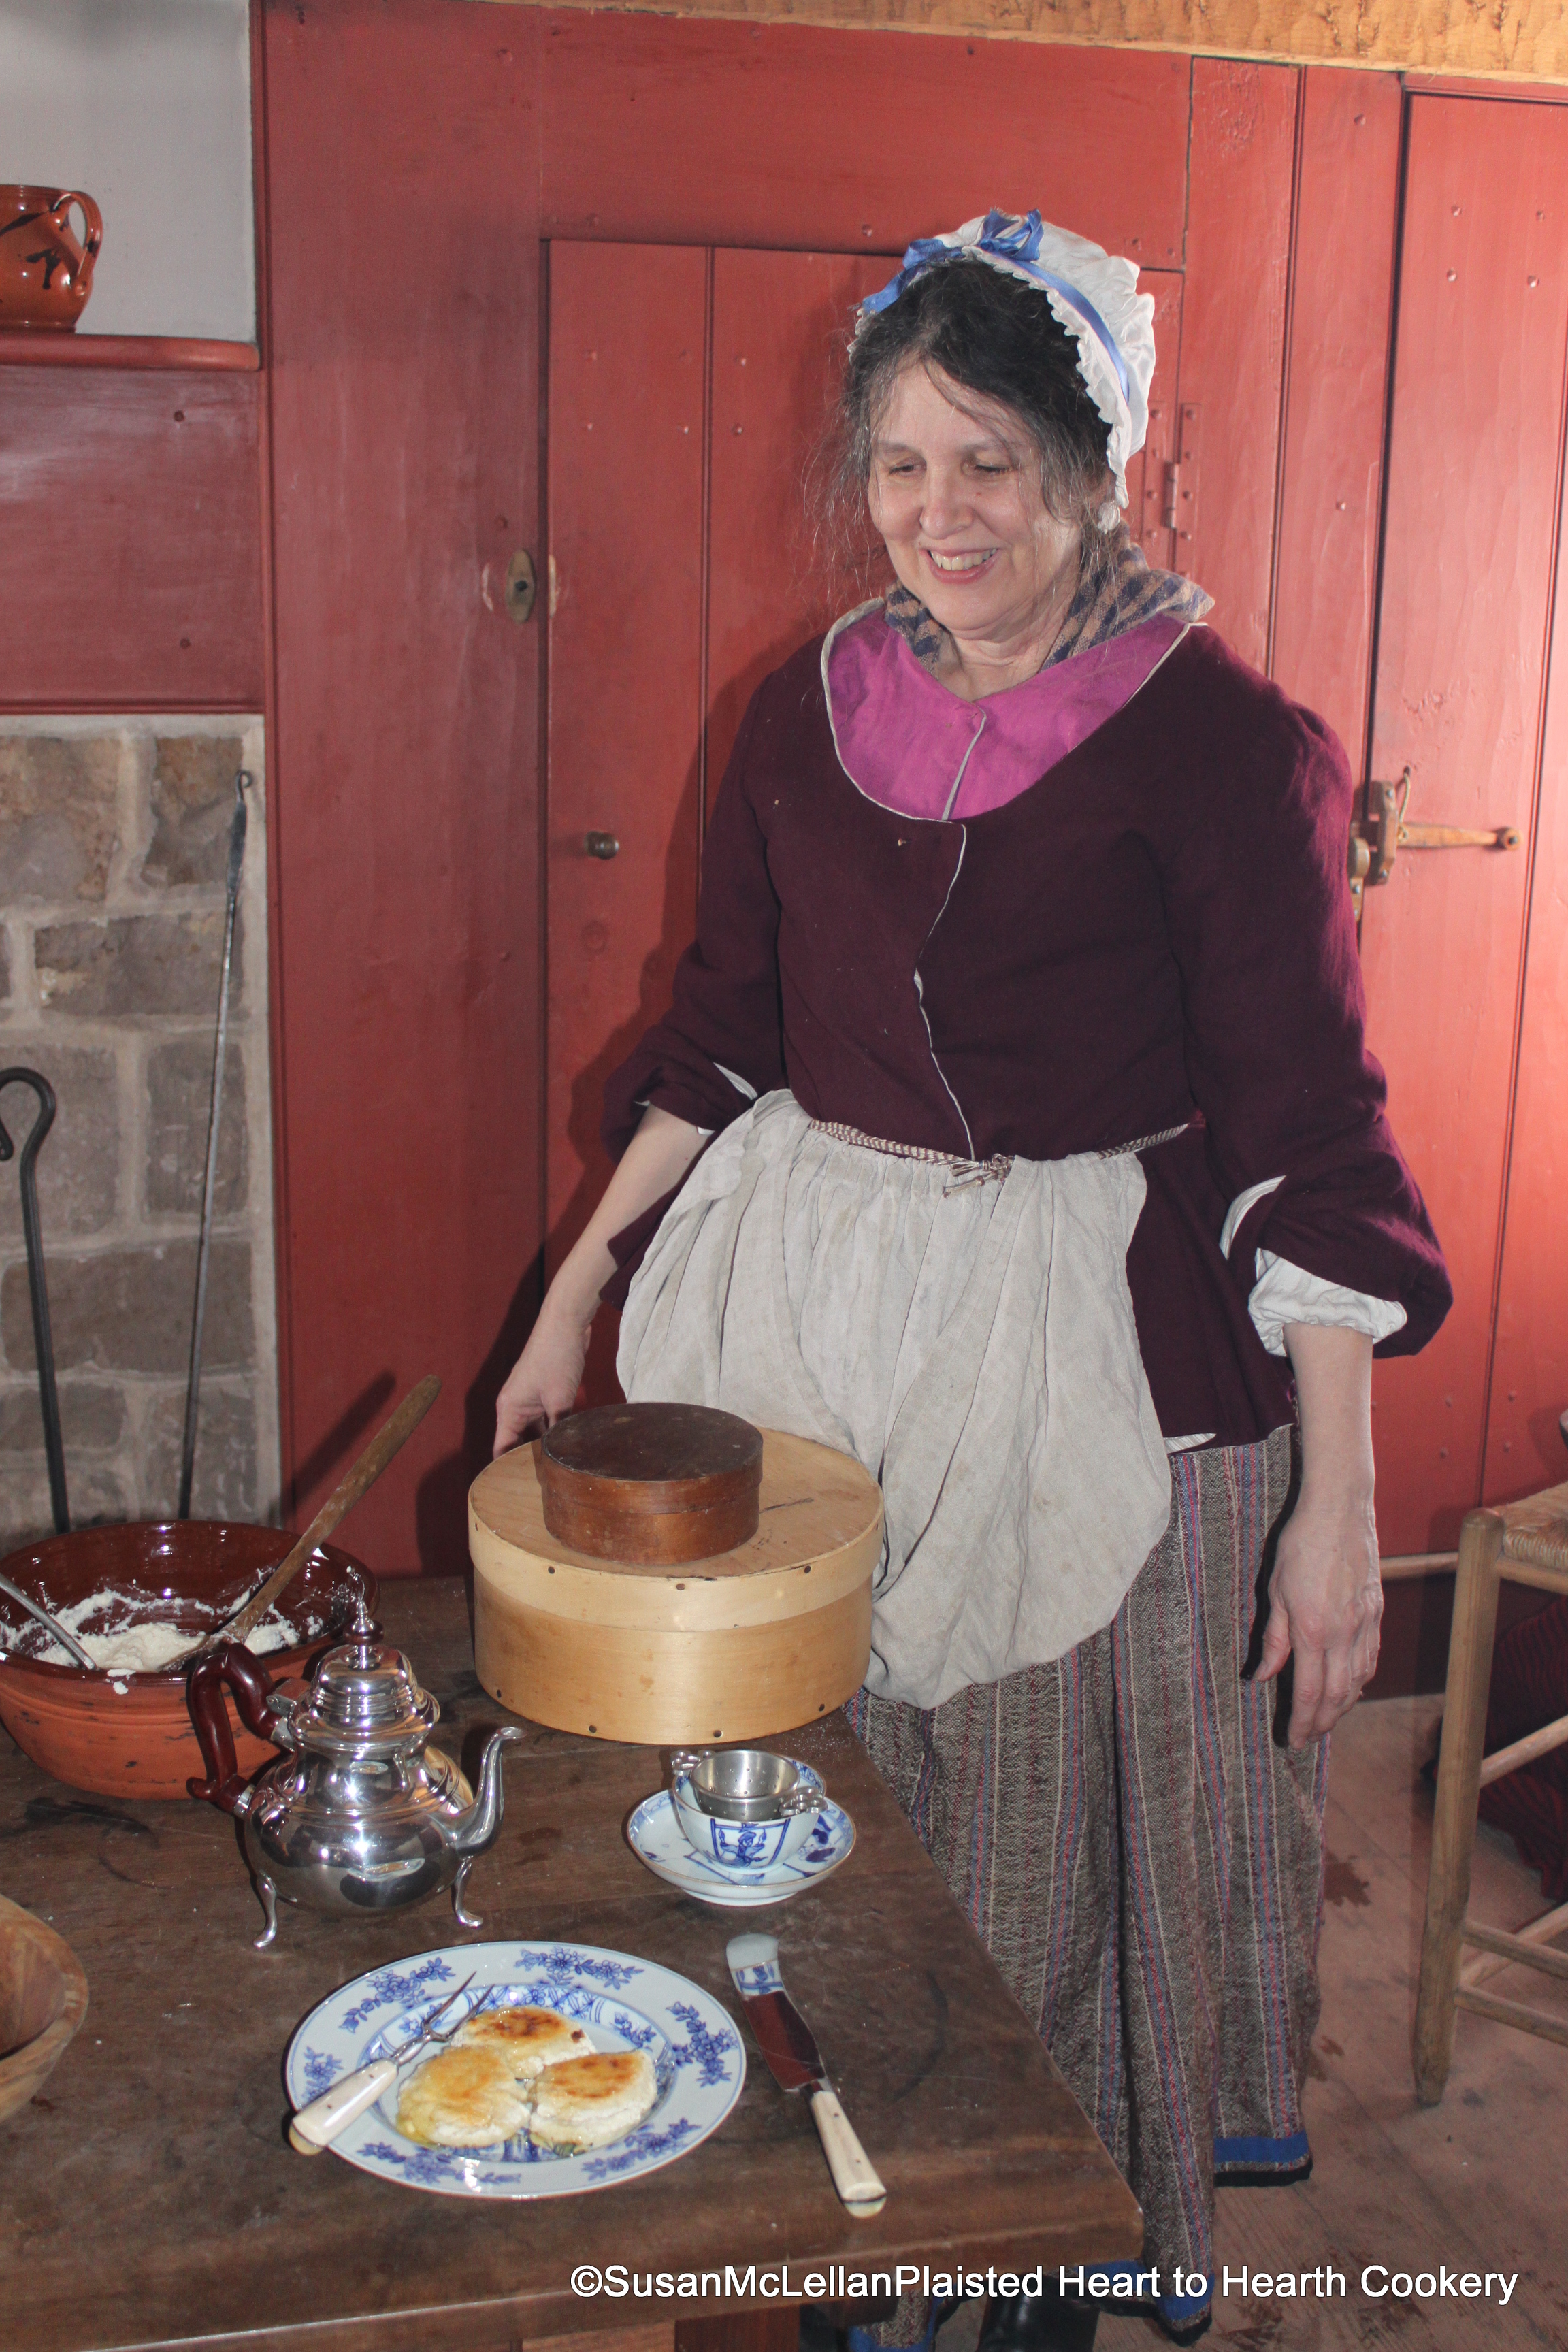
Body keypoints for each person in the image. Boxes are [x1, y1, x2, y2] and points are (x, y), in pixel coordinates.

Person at [495, 211, 1451, 2350]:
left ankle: (1011, 2262)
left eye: (995, 462)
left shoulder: (1229, 751)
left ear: (1095, 471)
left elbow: (1307, 1137)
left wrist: (1342, 1501)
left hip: (1095, 1368)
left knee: (1042, 1861)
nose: (944, 514)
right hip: (826, 1336)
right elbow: (722, 1035)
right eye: (905, 463)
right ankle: (847, 2209)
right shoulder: (805, 709)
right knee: (837, 1805)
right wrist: (571, 1300)